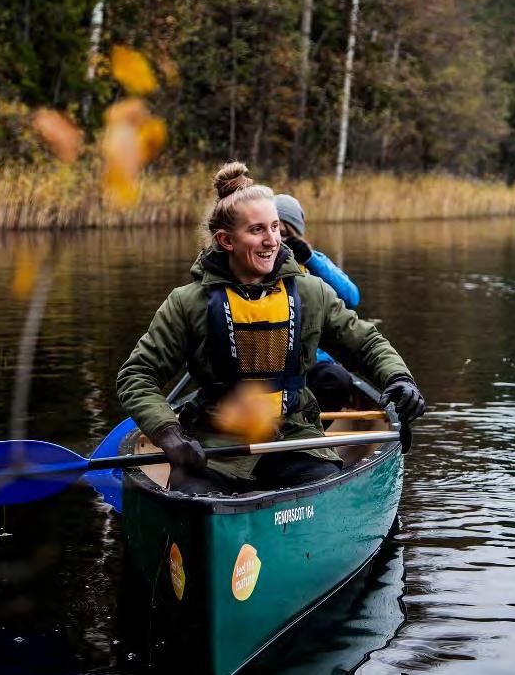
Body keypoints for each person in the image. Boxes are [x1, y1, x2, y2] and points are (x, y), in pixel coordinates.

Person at [116, 162, 425, 495]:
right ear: (226, 240)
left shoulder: (311, 291)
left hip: (295, 439)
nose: (272, 240)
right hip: (216, 445)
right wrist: (168, 433)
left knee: (321, 485)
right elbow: (137, 376)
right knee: (189, 493)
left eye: (276, 227)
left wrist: (399, 378)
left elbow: (365, 344)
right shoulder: (187, 303)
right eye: (257, 230)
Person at [275, 191, 359, 414]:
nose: (280, 242)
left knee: (337, 380)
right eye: (275, 232)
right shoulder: (257, 262)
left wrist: (310, 259)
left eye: (286, 234)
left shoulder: (314, 261)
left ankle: (309, 431)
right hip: (270, 365)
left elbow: (351, 297)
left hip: (313, 363)